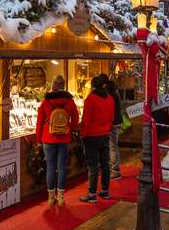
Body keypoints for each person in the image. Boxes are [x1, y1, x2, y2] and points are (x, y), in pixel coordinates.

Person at [35, 76, 79, 206]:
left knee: (50, 167)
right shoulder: (70, 102)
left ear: (53, 86)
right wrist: (68, 129)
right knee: (61, 167)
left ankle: (51, 197)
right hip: (64, 139)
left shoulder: (45, 102)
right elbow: (75, 120)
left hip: (48, 138)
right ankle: (61, 196)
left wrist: (39, 140)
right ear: (63, 86)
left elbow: (39, 122)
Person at [79, 75, 115, 203]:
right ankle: (105, 191)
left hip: (92, 136)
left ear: (93, 86)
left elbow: (86, 120)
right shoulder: (109, 98)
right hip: (104, 134)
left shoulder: (91, 99)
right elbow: (111, 118)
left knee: (93, 166)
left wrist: (83, 135)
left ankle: (92, 194)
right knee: (105, 164)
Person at [106, 78, 124, 180]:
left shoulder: (109, 93)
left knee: (112, 147)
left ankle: (115, 171)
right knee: (112, 146)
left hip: (112, 122)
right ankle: (113, 169)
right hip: (116, 121)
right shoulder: (114, 90)